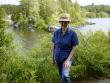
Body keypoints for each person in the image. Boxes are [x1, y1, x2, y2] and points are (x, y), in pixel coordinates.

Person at [51, 13, 79, 83]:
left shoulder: (72, 33)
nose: (63, 23)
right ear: (60, 22)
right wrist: (52, 58)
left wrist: (68, 60)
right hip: (57, 58)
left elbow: (74, 47)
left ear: (68, 22)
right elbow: (53, 46)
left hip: (67, 58)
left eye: (65, 22)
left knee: (65, 75)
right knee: (61, 75)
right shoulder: (56, 32)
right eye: (62, 21)